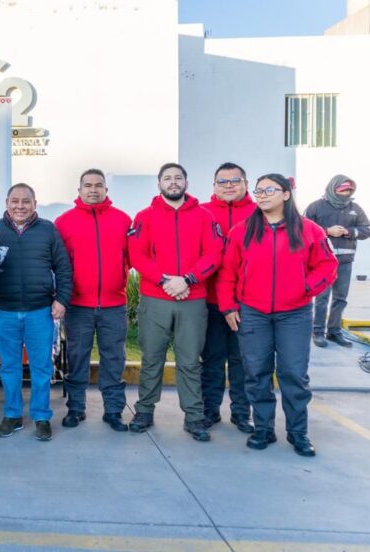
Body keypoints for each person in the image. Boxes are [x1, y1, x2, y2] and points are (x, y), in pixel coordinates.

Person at [218, 174, 337, 456]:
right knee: (256, 373)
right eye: (258, 191)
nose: (262, 195)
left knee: (293, 374)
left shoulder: (309, 230)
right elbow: (227, 273)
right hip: (253, 313)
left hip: (294, 314)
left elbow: (327, 267)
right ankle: (263, 429)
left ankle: (298, 433)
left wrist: (306, 288)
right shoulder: (242, 230)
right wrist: (229, 306)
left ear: (286, 194)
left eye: (269, 190)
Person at [128, 163, 222, 442]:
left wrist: (189, 279)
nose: (173, 182)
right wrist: (165, 280)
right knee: (151, 358)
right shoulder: (144, 217)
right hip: (156, 298)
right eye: (167, 178)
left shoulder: (205, 217)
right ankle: (144, 410)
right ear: (159, 184)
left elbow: (214, 254)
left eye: (178, 177)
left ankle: (194, 416)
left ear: (186, 182)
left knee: (190, 361)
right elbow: (137, 255)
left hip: (192, 299)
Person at [0, 184, 72, 441]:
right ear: (6, 202)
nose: (20, 206)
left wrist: (62, 299)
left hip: (39, 312)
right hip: (5, 312)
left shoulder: (48, 230)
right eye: (15, 201)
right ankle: (12, 415)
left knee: (42, 367)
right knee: (9, 367)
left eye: (26, 201)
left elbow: (63, 268)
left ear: (35, 203)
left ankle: (42, 416)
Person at [54, 169, 132, 432]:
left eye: (99, 185)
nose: (93, 190)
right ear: (79, 190)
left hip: (114, 305)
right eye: (88, 185)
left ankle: (113, 411)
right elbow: (58, 264)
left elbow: (130, 258)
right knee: (77, 358)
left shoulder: (123, 220)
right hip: (78, 306)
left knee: (114, 359)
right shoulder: (64, 222)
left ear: (106, 190)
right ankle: (76, 409)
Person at [199, 163, 256, 433]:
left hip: (247, 302)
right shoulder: (202, 213)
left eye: (235, 181)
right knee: (211, 359)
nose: (229, 186)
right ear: (214, 186)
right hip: (209, 300)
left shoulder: (259, 213)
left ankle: (242, 413)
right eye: (223, 182)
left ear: (246, 183)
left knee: (241, 360)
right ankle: (210, 410)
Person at [305, 175, 370, 348]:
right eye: (342, 190)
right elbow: (303, 229)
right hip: (322, 262)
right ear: (333, 189)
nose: (346, 193)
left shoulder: (355, 208)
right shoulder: (316, 206)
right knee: (322, 298)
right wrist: (327, 231)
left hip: (345, 262)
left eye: (349, 190)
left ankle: (334, 332)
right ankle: (317, 332)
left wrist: (348, 232)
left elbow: (366, 229)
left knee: (340, 298)